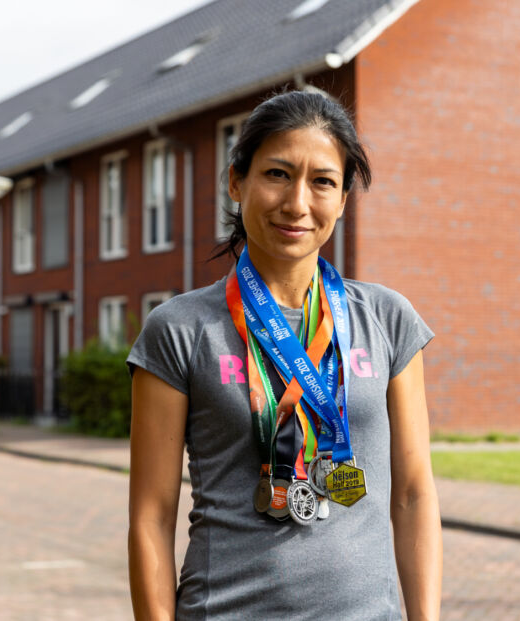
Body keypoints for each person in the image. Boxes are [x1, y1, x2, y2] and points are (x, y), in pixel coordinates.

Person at [127, 90, 441, 620]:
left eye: (322, 181)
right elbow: (150, 518)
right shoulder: (180, 329)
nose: (297, 203)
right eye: (277, 174)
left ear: (342, 200)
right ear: (236, 182)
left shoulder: (388, 319)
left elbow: (412, 495)